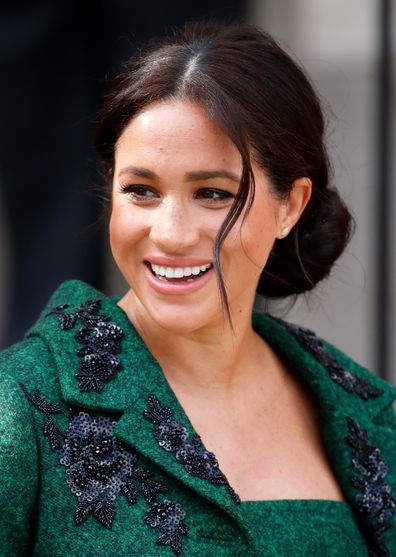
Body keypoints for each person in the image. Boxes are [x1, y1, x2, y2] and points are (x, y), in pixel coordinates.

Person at [0, 22, 395, 557]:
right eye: (141, 191)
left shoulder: (367, 414)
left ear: (290, 206)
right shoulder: (20, 407)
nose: (170, 234)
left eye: (212, 193)